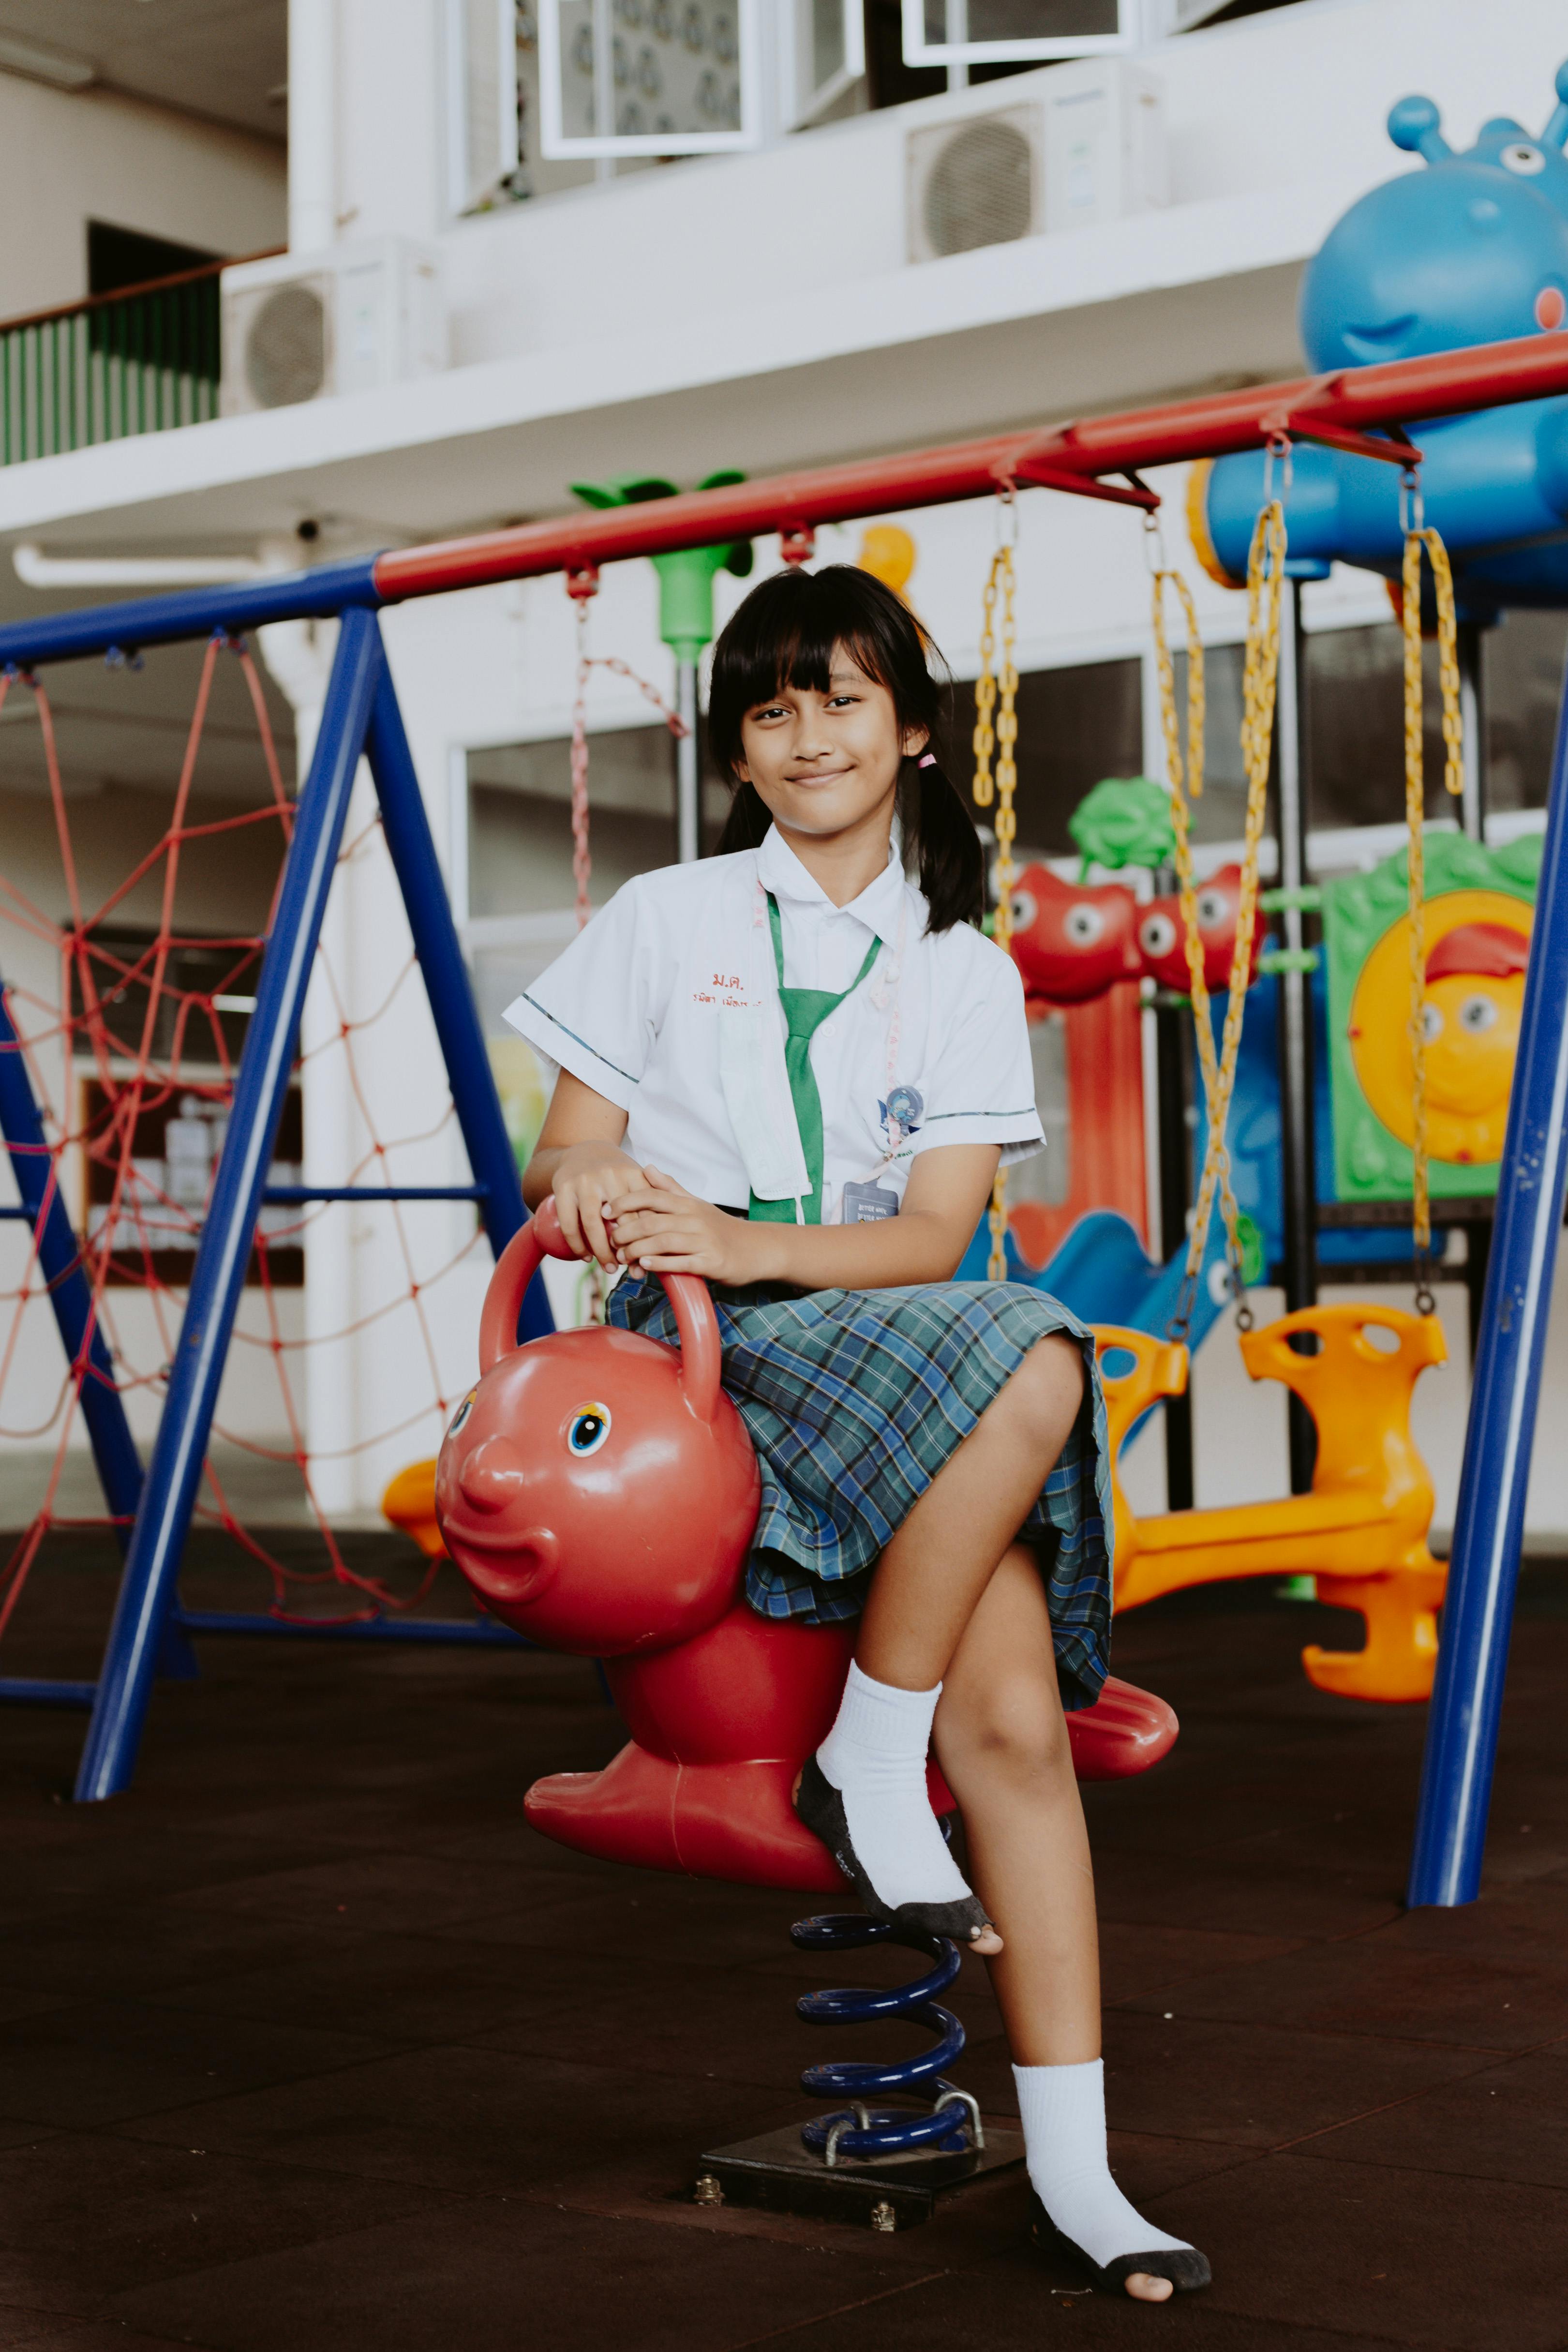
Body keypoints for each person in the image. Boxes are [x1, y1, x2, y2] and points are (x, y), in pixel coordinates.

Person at [506, 564, 1209, 2303]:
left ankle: (1077, 2173)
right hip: (695, 1339)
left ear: (909, 728)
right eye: (771, 708)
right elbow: (562, 1159)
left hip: (879, 1327)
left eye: (840, 700)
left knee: (1022, 1737)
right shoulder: (667, 918)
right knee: (1038, 1352)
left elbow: (925, 1241)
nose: (808, 734)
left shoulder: (961, 967)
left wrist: (755, 1235)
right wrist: (600, 1182)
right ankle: (875, 1761)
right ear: (740, 749)